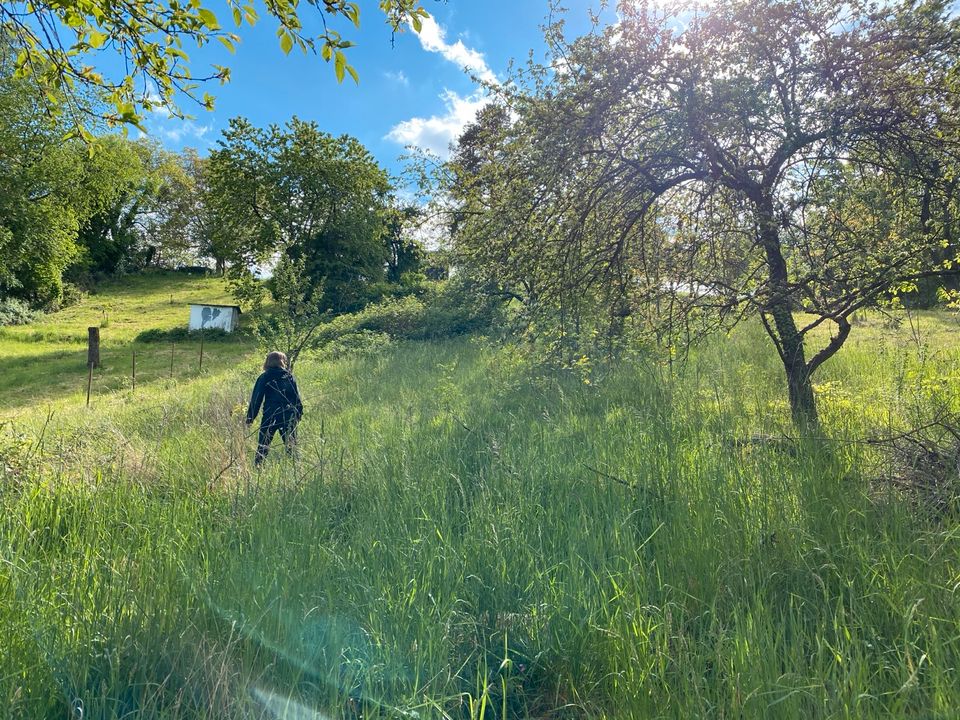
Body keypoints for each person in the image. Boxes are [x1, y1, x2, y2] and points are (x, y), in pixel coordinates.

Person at [246, 351, 303, 467]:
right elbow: (296, 398)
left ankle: (258, 469)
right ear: (283, 361)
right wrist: (298, 414)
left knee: (263, 446)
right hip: (288, 415)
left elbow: (256, 399)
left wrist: (250, 418)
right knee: (292, 447)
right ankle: (296, 469)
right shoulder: (288, 376)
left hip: (270, 415)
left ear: (268, 362)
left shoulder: (264, 377)